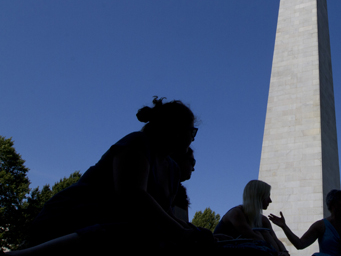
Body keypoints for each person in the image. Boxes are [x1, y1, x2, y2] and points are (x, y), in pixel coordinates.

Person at [8, 96, 213, 256]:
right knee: (140, 233)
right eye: (191, 132)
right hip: (70, 220)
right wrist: (181, 233)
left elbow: (166, 214)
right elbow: (133, 196)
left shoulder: (172, 170)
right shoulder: (137, 143)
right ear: (176, 130)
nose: (192, 138)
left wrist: (201, 234)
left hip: (109, 228)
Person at [214, 180, 289, 256]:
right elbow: (255, 238)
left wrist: (285, 252)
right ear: (258, 196)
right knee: (262, 232)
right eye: (267, 196)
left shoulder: (263, 220)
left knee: (264, 232)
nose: (270, 200)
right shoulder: (236, 214)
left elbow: (275, 240)